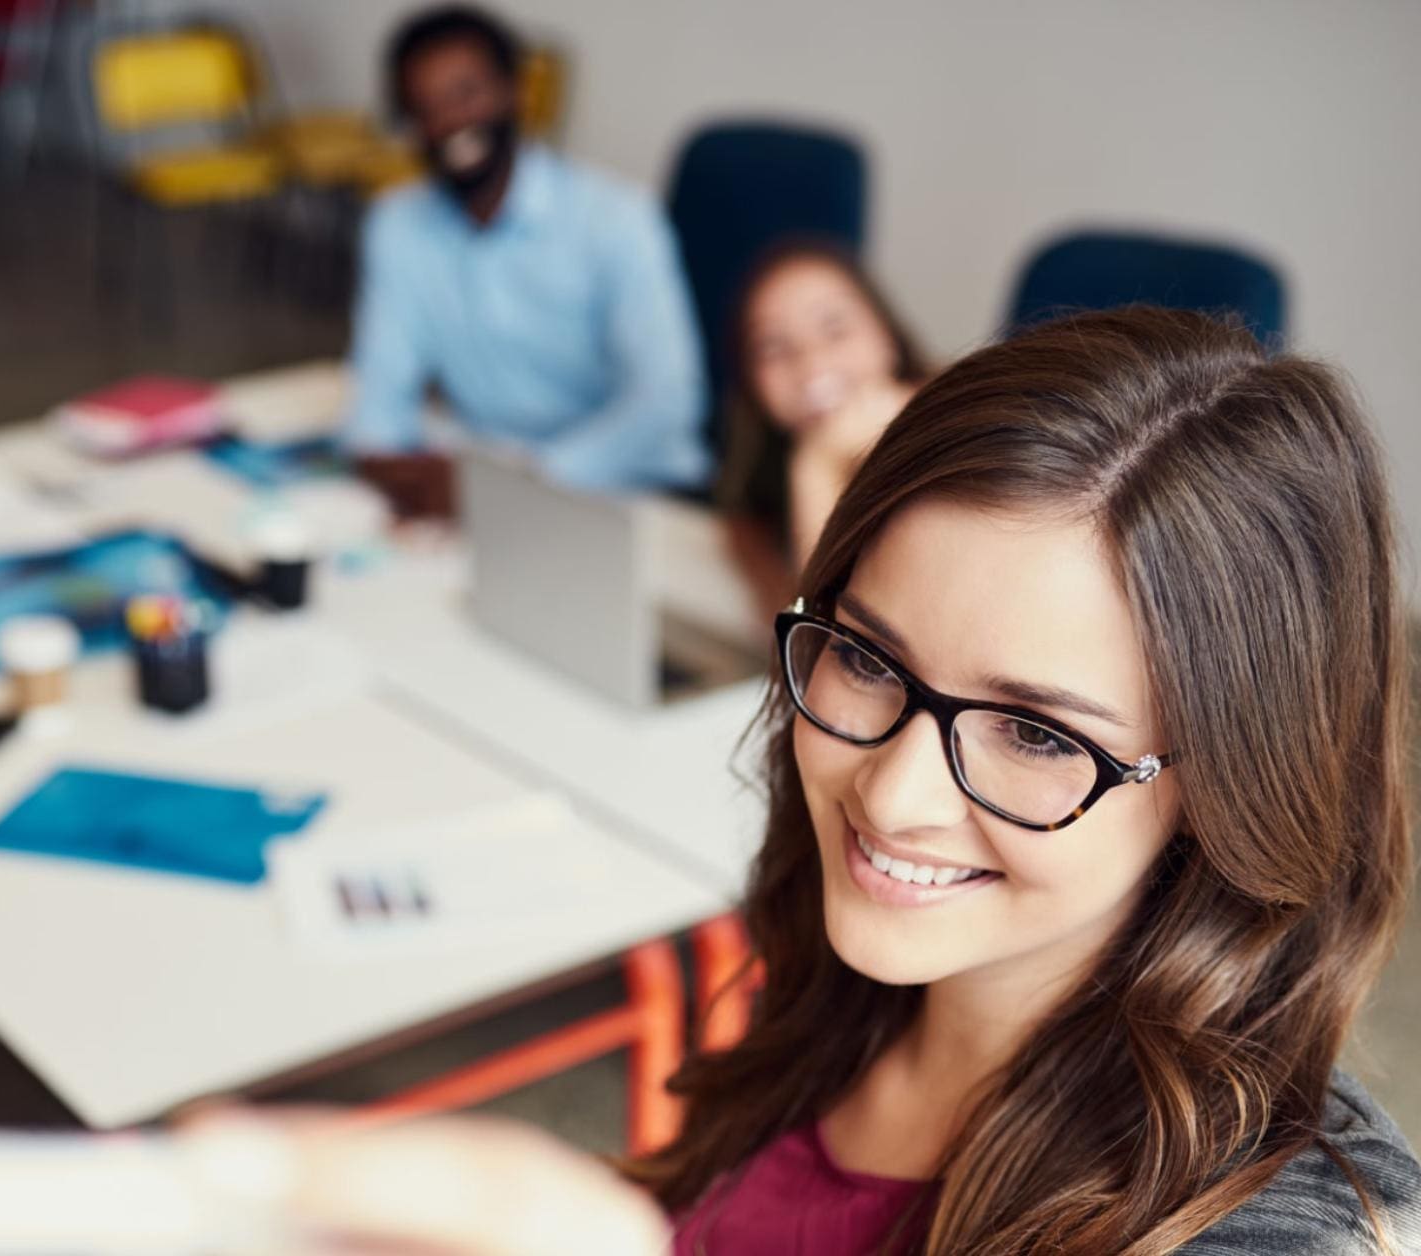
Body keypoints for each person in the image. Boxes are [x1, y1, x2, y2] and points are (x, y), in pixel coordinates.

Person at [221, 308, 1421, 1253]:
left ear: (1240, 784)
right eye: (864, 654)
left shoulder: (1280, 1218)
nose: (892, 797)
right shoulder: (863, 984)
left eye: (1039, 736)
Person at [342, 4, 708, 505]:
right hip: (485, 480)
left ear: (514, 90)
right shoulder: (399, 224)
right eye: (424, 107)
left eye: (465, 93)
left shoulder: (616, 218)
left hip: (624, 484)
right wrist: (382, 456)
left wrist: (527, 482)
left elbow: (666, 402)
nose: (448, 121)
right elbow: (381, 392)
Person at [713, 241, 931, 594]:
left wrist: (817, 466)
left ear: (886, 336)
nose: (810, 363)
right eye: (773, 347)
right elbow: (818, 642)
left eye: (835, 329)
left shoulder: (959, 438)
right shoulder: (753, 522)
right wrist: (816, 467)